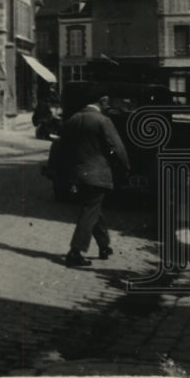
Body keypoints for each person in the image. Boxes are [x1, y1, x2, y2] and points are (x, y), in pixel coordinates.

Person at [59, 93, 130, 267]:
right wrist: (125, 166)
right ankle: (75, 251)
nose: (108, 106)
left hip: (77, 174)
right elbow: (117, 147)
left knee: (92, 208)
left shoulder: (72, 120)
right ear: (102, 101)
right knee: (90, 210)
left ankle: (104, 246)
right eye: (107, 102)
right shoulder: (102, 121)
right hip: (97, 174)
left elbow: (62, 148)